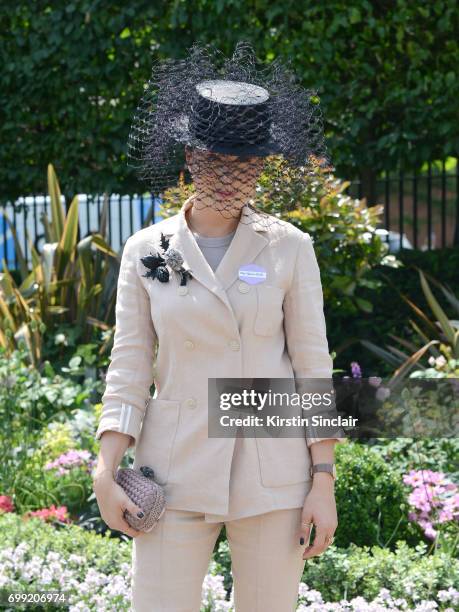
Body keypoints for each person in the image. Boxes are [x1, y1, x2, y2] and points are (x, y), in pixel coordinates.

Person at [93, 41, 346, 611]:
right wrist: (106, 468)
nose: (233, 175)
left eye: (247, 163)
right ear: (191, 158)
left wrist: (323, 480)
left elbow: (313, 368)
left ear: (261, 166)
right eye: (218, 161)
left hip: (274, 471)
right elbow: (129, 365)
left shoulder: (290, 247)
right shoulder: (146, 250)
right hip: (174, 468)